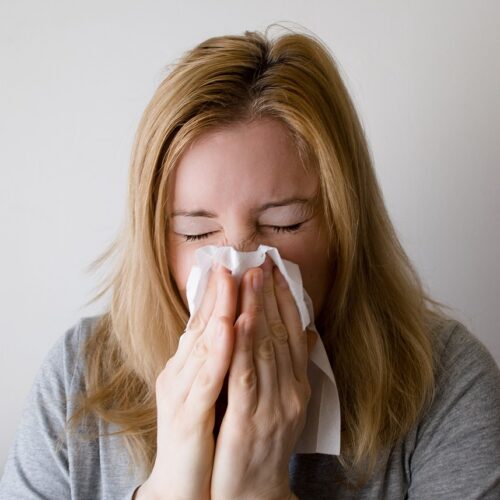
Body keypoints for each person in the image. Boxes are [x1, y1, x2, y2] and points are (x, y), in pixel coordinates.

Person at [1, 26, 500, 500]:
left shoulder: (443, 384)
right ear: (156, 238)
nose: (240, 266)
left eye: (283, 224)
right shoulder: (79, 378)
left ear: (345, 227)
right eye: (196, 232)